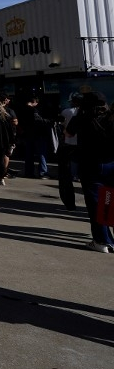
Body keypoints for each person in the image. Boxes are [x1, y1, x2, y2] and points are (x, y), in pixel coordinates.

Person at [63, 91, 114, 252]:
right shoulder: (111, 116)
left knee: (96, 203)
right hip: (111, 163)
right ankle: (107, 239)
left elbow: (68, 133)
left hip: (90, 164)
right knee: (109, 200)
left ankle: (102, 241)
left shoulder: (82, 117)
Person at [17, 94, 51, 179]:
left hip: (27, 134)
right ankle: (43, 172)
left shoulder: (21, 109)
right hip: (38, 134)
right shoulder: (33, 110)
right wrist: (49, 121)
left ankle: (29, 172)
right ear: (35, 102)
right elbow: (38, 120)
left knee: (29, 154)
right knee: (41, 154)